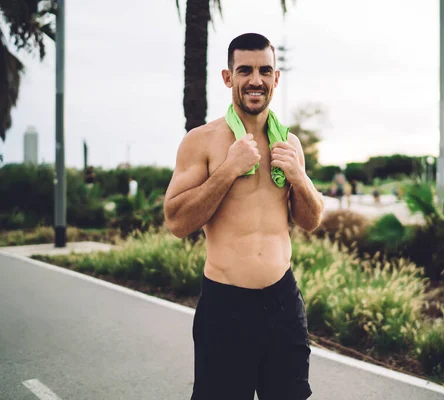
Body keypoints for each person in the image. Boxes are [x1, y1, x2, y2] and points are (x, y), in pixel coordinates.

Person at [163, 33, 323, 400]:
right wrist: (228, 169)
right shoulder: (201, 141)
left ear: (276, 79)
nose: (255, 79)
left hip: (283, 304)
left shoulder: (289, 144)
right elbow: (176, 221)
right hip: (226, 308)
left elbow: (309, 219)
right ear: (227, 77)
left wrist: (299, 178)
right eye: (245, 70)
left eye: (265, 70)